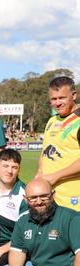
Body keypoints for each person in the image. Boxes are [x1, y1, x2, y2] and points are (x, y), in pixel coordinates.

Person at [37, 76, 80, 211]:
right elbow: (44, 152)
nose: (57, 103)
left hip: (74, 200)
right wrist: (39, 174)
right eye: (53, 99)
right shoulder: (52, 121)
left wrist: (55, 177)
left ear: (74, 95)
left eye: (62, 98)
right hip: (50, 198)